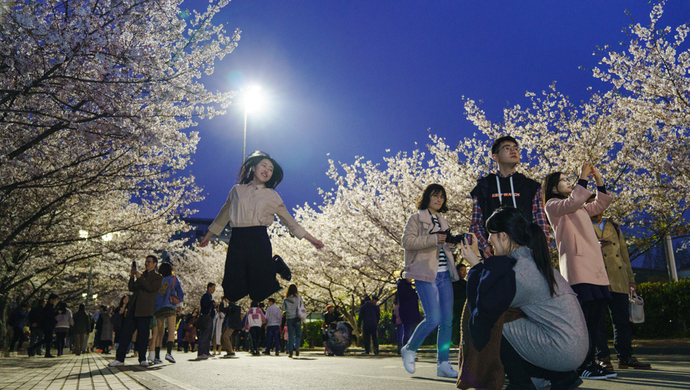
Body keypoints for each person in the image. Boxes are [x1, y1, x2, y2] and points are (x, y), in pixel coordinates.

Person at [459, 207, 588, 390]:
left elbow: (483, 311)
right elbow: (494, 292)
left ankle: (522, 382)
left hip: (563, 350)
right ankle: (558, 376)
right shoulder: (530, 261)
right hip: (570, 346)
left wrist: (475, 267)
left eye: (491, 235)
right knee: (503, 313)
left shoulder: (520, 273)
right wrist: (480, 263)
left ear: (504, 236)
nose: (488, 240)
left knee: (494, 322)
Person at [199, 151, 324, 304]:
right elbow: (223, 215)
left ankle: (274, 264)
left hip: (259, 238)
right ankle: (271, 265)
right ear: (253, 168)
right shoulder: (237, 191)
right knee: (232, 290)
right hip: (238, 238)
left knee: (259, 293)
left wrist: (312, 239)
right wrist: (208, 235)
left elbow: (290, 221)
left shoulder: (272, 196)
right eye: (263, 166)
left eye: (271, 169)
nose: (267, 170)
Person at [543, 162, 616, 380]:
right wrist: (583, 177)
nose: (569, 182)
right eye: (564, 180)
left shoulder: (580, 208)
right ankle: (582, 363)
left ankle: (589, 362)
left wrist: (598, 178)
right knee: (584, 319)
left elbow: (602, 202)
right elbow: (575, 200)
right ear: (554, 189)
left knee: (595, 319)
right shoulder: (553, 205)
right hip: (578, 269)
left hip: (594, 269)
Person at [400, 184, 461, 378]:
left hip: (444, 274)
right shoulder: (416, 219)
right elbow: (407, 242)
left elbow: (443, 249)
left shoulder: (443, 221)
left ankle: (443, 363)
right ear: (427, 197)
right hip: (425, 274)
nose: (439, 199)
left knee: (447, 321)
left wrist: (451, 244)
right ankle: (409, 348)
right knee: (433, 318)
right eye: (435, 196)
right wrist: (434, 239)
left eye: (442, 197)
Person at [587, 195, 652, 371]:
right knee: (598, 322)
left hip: (618, 278)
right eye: (590, 204)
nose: (595, 208)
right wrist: (594, 245)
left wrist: (631, 279)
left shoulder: (613, 226)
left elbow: (624, 253)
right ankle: (603, 358)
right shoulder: (582, 225)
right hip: (596, 279)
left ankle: (626, 357)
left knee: (622, 321)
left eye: (596, 204)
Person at [470, 136, 550, 259]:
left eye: (515, 148)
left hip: (527, 253)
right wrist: (485, 245)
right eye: (507, 148)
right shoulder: (484, 186)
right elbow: (476, 223)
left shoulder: (531, 186)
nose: (513, 151)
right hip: (495, 253)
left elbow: (540, 222)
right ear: (495, 157)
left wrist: (543, 250)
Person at [109, 255, 163, 367]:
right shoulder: (142, 275)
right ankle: (119, 358)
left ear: (155, 264)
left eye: (149, 262)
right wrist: (132, 276)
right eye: (146, 261)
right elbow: (131, 288)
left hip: (145, 309)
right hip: (134, 308)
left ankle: (142, 358)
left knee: (143, 336)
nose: (146, 263)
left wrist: (139, 277)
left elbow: (150, 288)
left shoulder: (157, 277)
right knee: (126, 334)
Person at [154, 262, 184, 364]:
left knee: (160, 332)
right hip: (170, 306)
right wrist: (180, 305)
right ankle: (169, 353)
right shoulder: (174, 279)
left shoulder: (157, 280)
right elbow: (180, 292)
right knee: (171, 330)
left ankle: (157, 357)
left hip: (158, 307)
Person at [27, 293, 59, 358]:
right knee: (47, 339)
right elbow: (50, 316)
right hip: (48, 325)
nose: (55, 301)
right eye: (55, 299)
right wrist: (58, 313)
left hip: (48, 325)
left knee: (47, 339)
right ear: (51, 299)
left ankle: (33, 349)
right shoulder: (48, 307)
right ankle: (45, 352)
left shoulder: (49, 306)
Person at [281, 284, 304, 358]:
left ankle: (290, 352)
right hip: (297, 317)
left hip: (289, 318)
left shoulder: (286, 299)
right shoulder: (299, 297)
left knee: (290, 335)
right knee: (298, 334)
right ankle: (297, 347)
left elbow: (283, 308)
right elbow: (301, 306)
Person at [196, 283, 216, 360]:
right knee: (205, 335)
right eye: (213, 288)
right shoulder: (205, 296)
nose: (214, 290)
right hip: (206, 317)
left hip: (209, 317)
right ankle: (201, 352)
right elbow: (205, 305)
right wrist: (212, 302)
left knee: (208, 335)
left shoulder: (209, 296)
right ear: (209, 288)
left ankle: (206, 351)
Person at [452, 263, 468, 346]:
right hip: (457, 307)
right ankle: (457, 340)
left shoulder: (466, 283)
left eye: (465, 271)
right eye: (462, 270)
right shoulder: (454, 283)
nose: (464, 273)